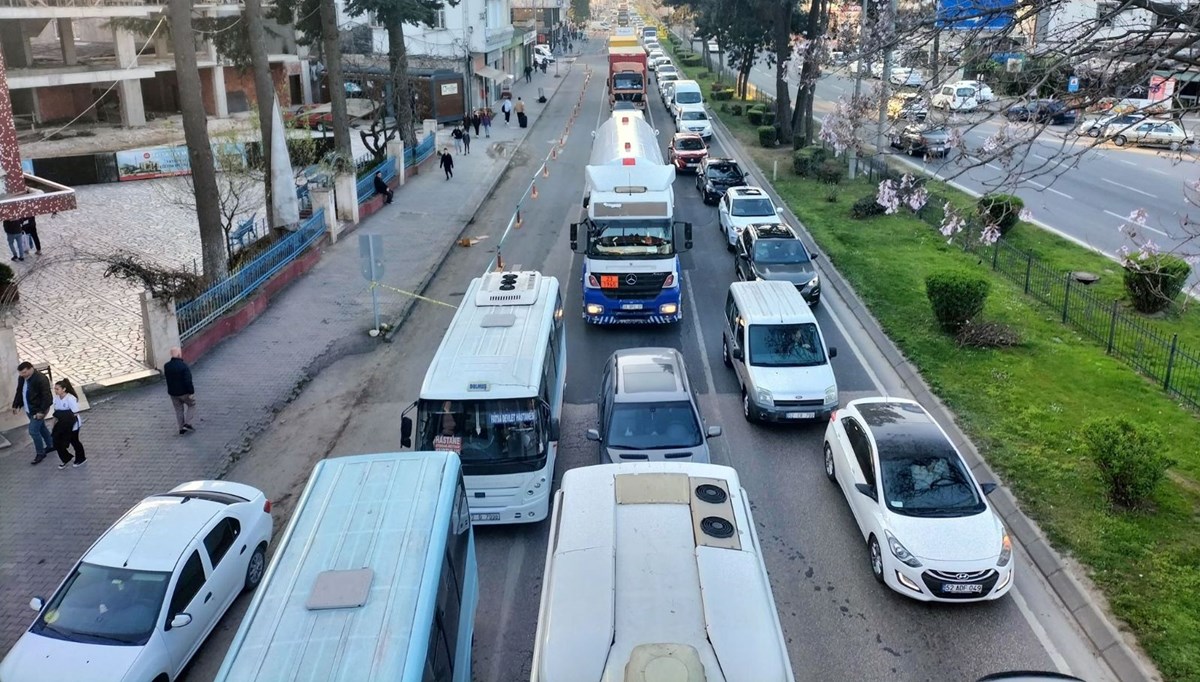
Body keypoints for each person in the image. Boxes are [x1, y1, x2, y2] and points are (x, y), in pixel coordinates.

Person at [11, 361, 52, 464]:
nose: (22, 375)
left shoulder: (41, 379)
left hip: (38, 410)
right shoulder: (22, 378)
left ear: (31, 368)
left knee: (33, 431)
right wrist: (16, 405)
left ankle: (40, 453)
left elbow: (46, 397)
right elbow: (19, 391)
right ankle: (51, 445)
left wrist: (41, 411)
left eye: (24, 372)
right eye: (21, 373)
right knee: (41, 427)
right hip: (29, 409)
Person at [51, 379, 85, 469]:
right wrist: (53, 425)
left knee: (74, 441)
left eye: (57, 389)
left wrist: (64, 417)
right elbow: (56, 412)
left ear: (64, 389)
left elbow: (75, 412)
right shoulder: (56, 398)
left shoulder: (70, 398)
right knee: (57, 441)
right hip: (61, 424)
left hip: (72, 424)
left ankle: (81, 458)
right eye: (55, 389)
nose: (55, 391)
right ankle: (66, 458)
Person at [163, 347, 196, 435]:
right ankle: (188, 424)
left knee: (178, 410)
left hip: (173, 393)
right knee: (191, 405)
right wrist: (191, 392)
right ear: (179, 354)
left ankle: (181, 428)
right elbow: (188, 380)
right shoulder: (184, 366)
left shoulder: (166, 366)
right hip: (184, 393)